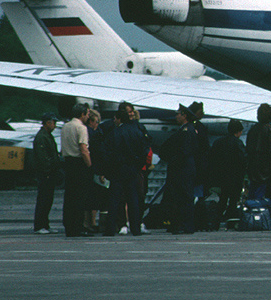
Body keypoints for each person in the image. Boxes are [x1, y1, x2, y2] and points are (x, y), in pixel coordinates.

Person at [103, 101, 151, 236]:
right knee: (133, 199)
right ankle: (135, 228)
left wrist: (109, 169)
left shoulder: (114, 133)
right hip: (132, 169)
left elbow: (107, 153)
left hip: (117, 171)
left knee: (114, 200)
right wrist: (137, 166)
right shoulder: (137, 131)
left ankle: (111, 228)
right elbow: (144, 150)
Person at [159, 104, 200, 234]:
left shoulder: (187, 131)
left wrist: (173, 160)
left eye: (178, 114)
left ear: (184, 116)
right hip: (184, 169)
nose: (176, 116)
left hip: (183, 169)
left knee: (185, 197)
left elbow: (185, 151)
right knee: (181, 197)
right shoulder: (185, 129)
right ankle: (182, 224)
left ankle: (186, 225)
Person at [209, 119, 248, 228]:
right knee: (233, 201)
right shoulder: (238, 143)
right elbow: (243, 159)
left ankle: (215, 222)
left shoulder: (218, 142)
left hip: (221, 177)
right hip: (235, 177)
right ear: (239, 132)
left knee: (222, 199)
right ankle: (231, 222)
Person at [60, 102, 92, 237]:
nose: (88, 117)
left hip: (67, 163)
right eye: (87, 114)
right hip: (78, 163)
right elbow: (83, 149)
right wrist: (90, 165)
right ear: (82, 114)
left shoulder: (65, 127)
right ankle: (78, 227)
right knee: (80, 197)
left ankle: (69, 226)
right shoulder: (81, 128)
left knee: (69, 196)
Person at [32, 111, 60, 234]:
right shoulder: (42, 137)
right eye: (53, 122)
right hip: (45, 174)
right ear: (48, 123)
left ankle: (45, 224)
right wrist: (49, 170)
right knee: (44, 199)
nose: (54, 125)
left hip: (49, 173)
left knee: (47, 200)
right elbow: (43, 158)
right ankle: (39, 225)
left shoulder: (47, 135)